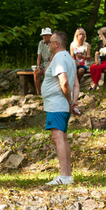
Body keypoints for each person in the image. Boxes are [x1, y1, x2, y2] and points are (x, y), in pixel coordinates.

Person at [40, 31, 76, 185]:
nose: (48, 44)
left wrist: (69, 101)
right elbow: (77, 83)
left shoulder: (60, 58)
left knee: (57, 137)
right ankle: (67, 174)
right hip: (61, 104)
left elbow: (65, 82)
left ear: (57, 44)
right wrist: (72, 102)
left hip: (58, 104)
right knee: (62, 137)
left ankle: (64, 176)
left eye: (51, 41)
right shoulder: (69, 57)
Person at [69, 28, 91, 114]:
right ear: (76, 36)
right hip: (75, 63)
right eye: (79, 34)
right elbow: (71, 56)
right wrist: (75, 61)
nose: (81, 36)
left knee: (81, 70)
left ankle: (76, 85)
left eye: (82, 34)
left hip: (84, 64)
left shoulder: (87, 45)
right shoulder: (73, 45)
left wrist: (83, 57)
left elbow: (89, 57)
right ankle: (75, 86)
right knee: (73, 69)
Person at [33, 28, 53, 95]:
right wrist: (38, 66)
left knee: (49, 73)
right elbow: (39, 56)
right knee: (36, 73)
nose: (44, 37)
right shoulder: (41, 43)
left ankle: (49, 92)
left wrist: (47, 68)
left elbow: (52, 57)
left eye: (46, 35)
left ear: (50, 36)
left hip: (52, 65)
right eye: (43, 35)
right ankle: (38, 92)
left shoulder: (53, 43)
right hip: (43, 64)